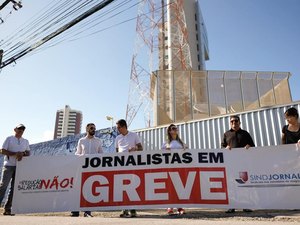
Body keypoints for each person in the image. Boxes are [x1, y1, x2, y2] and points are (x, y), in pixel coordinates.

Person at [221, 115, 254, 214]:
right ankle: (232, 206)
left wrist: (249, 146)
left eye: (236, 121)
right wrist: (226, 147)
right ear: (230, 123)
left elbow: (253, 145)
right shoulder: (226, 134)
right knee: (232, 185)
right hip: (231, 164)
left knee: (244, 185)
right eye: (232, 122)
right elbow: (222, 147)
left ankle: (246, 205)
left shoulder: (245, 134)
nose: (234, 123)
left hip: (243, 164)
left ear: (239, 122)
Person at [71, 123, 103, 217]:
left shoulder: (98, 141)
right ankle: (75, 210)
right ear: (87, 129)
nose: (94, 130)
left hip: (93, 168)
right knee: (78, 188)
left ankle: (87, 211)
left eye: (94, 128)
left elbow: (101, 153)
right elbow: (77, 153)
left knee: (90, 189)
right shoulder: (81, 141)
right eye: (92, 128)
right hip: (82, 168)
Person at [0, 124, 30, 216]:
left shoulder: (25, 141)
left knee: (14, 189)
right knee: (3, 186)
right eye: (19, 129)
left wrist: (22, 153)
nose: (21, 130)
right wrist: (15, 154)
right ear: (15, 129)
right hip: (8, 166)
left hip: (19, 167)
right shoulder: (9, 139)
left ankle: (7, 209)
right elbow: (2, 151)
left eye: (23, 129)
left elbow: (28, 152)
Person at [115, 119, 143, 218]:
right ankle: (124, 209)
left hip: (132, 163)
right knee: (123, 185)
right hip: (121, 164)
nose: (117, 129)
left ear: (124, 126)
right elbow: (117, 151)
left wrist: (135, 148)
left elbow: (141, 148)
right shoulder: (117, 138)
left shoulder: (134, 135)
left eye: (118, 127)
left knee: (132, 186)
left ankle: (133, 210)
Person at [161, 124, 187, 215]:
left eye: (176, 128)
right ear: (169, 131)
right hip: (170, 168)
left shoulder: (181, 143)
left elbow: (187, 153)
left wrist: (186, 149)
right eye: (173, 128)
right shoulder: (166, 143)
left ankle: (180, 207)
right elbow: (161, 156)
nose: (175, 130)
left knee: (180, 186)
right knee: (170, 187)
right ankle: (170, 207)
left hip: (180, 168)